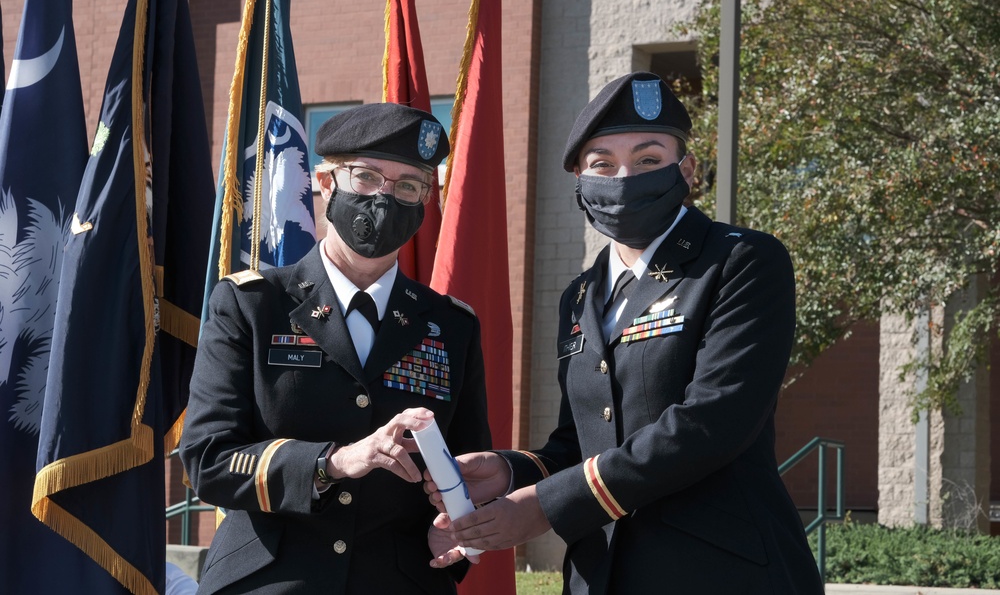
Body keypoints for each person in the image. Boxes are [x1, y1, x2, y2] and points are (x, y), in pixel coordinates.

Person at [426, 72, 825, 594]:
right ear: (580, 183)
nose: (623, 178)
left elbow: (714, 421)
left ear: (687, 169)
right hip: (602, 574)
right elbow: (581, 441)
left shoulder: (741, 260)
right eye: (602, 165)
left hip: (721, 570)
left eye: (648, 160)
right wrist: (510, 474)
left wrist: (547, 507)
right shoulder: (581, 295)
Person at [181, 103, 491, 595]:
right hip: (268, 578)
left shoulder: (451, 325)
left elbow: (471, 465)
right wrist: (334, 462)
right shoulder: (251, 305)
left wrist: (455, 526)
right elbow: (209, 459)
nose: (384, 200)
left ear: (425, 202)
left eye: (408, 186)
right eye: (366, 177)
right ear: (326, 184)